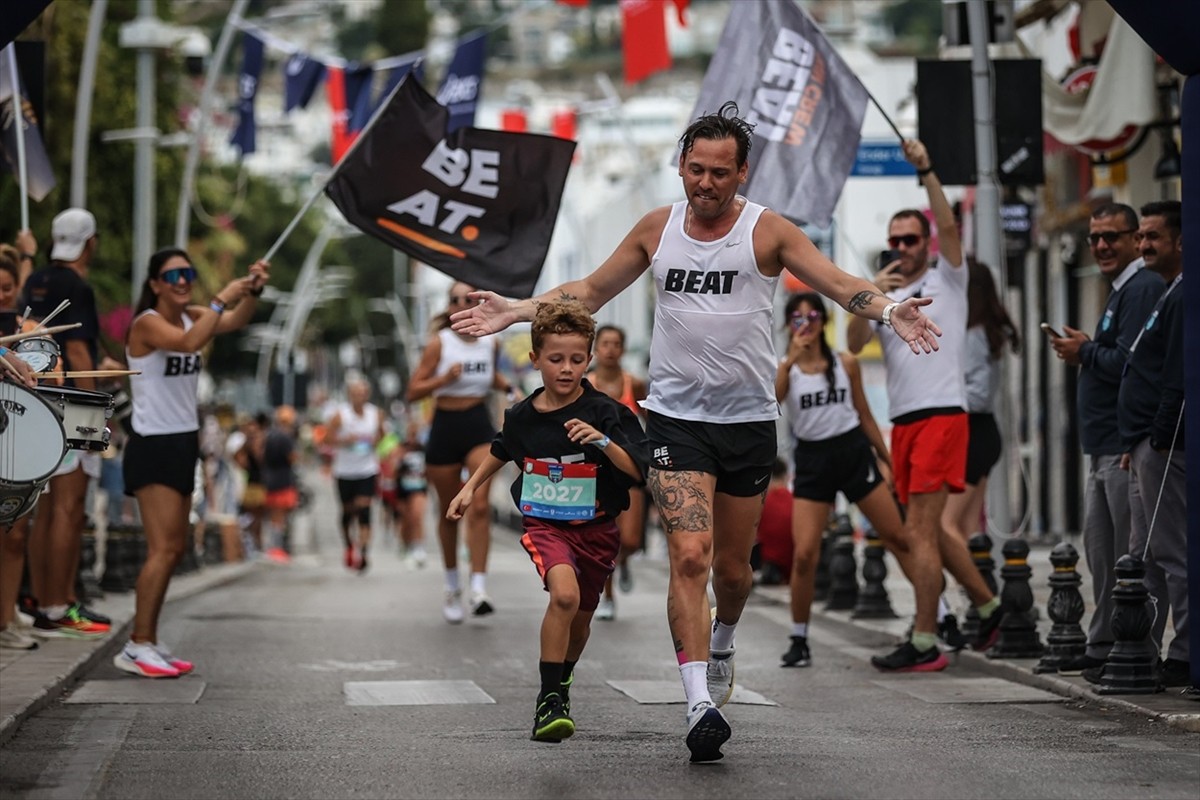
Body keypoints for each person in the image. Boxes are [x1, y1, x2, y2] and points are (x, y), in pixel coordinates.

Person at [449, 102, 942, 763]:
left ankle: (725, 639)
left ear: (742, 172)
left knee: (733, 575)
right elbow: (589, 291)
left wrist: (887, 310)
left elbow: (835, 281)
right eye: (694, 171)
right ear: (681, 166)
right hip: (677, 420)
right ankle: (698, 704)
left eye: (719, 173)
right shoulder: (658, 229)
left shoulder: (767, 232)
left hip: (747, 422)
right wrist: (515, 309)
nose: (705, 184)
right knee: (690, 556)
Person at [446, 298, 649, 744]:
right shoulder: (522, 415)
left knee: (581, 620)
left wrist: (602, 441)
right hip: (547, 525)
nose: (566, 368)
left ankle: (562, 680)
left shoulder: (607, 413)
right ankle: (548, 700)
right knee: (563, 596)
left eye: (577, 359)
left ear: (589, 359)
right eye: (555, 359)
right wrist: (469, 488)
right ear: (535, 358)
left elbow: (637, 471)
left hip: (597, 529)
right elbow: (501, 449)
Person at [846, 140, 1007, 673]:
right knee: (933, 530)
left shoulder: (948, 279)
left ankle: (924, 640)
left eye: (910, 238)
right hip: (905, 421)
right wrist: (875, 294)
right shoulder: (886, 297)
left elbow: (951, 226)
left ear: (925, 242)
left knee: (917, 532)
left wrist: (929, 168)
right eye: (893, 240)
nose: (901, 246)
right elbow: (850, 342)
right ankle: (989, 607)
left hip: (942, 413)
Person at [114, 247, 268, 677]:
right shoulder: (148, 324)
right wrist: (222, 297)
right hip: (153, 444)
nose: (183, 280)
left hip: (183, 441)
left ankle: (149, 637)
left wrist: (252, 292)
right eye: (173, 274)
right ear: (155, 284)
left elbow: (234, 322)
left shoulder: (192, 314)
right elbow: (188, 343)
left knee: (176, 547)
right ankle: (136, 644)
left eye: (188, 273)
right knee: (161, 549)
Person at [1047, 203, 1165, 676]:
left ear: (1136, 239)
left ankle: (1136, 646)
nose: (1100, 246)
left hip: (1121, 445)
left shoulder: (1142, 288)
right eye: (1095, 237)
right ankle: (1103, 644)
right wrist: (1090, 348)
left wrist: (1085, 351)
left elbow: (1131, 365)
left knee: (1133, 560)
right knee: (1102, 554)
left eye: (1111, 237)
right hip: (1102, 446)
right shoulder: (1122, 290)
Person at [20, 208, 111, 639]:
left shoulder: (33, 280)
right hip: (69, 405)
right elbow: (77, 355)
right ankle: (59, 605)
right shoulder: (76, 285)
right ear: (90, 243)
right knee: (70, 509)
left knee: (43, 508)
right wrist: (93, 414)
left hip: (32, 402)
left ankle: (40, 599)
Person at [407, 281, 521, 623]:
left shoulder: (490, 341)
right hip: (444, 425)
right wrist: (443, 379)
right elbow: (413, 390)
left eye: (468, 299)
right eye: (456, 300)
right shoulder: (439, 344)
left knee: (480, 504)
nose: (462, 305)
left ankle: (479, 587)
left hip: (477, 424)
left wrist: (512, 388)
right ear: (449, 307)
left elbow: (492, 377)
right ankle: (452, 584)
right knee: (449, 511)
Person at [1113, 200, 1188, 688]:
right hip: (1141, 444)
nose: (1142, 246)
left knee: (1173, 553)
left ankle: (1184, 654)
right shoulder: (1167, 292)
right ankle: (1145, 652)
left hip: (1162, 448)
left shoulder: (1182, 295)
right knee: (1147, 557)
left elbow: (1176, 374)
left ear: (1181, 241)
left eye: (1152, 237)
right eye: (1139, 237)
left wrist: (1159, 437)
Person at [941, 260, 1020, 544]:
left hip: (972, 434)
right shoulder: (985, 331)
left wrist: (943, 396)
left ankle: (976, 589)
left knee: (947, 526)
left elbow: (979, 393)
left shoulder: (974, 335)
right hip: (981, 432)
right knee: (966, 527)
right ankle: (977, 586)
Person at [587, 324, 649, 620]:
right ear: (596, 349)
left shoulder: (634, 384)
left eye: (616, 344)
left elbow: (651, 422)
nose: (610, 349)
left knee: (632, 540)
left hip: (630, 466)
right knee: (606, 539)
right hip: (597, 470)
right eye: (605, 344)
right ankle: (608, 597)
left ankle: (622, 562)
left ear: (623, 350)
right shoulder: (586, 383)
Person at [0, 242, 40, 650]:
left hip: (14, 436)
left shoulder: (23, 325)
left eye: (8, 287)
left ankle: (6, 617)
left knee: (13, 531)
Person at [327, 376, 384, 574]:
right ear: (350, 395)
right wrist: (344, 440)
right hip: (344, 471)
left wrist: (376, 441)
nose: (359, 397)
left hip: (367, 469)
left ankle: (365, 552)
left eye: (362, 393)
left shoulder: (375, 414)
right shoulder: (340, 415)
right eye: (356, 394)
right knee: (348, 511)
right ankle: (349, 545)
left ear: (367, 395)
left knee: (364, 510)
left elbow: (382, 435)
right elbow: (326, 438)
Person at [262, 405, 299, 563]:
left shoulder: (269, 435)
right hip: (283, 480)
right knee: (280, 517)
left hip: (270, 478)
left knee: (274, 517)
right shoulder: (285, 438)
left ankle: (275, 546)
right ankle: (277, 548)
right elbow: (292, 458)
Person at [753, 458, 792, 588]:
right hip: (792, 569)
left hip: (770, 568)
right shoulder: (796, 501)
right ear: (786, 476)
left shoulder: (760, 504)